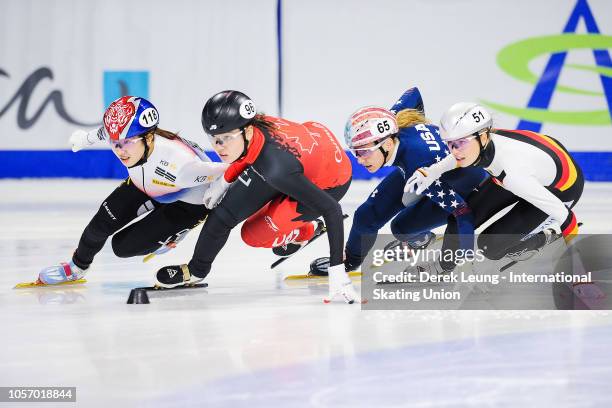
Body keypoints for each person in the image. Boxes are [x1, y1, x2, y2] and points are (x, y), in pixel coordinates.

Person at [154, 90, 360, 303]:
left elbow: (332, 209)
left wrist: (337, 269)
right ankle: (196, 270)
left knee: (253, 235)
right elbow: (249, 153)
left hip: (329, 182)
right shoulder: (254, 128)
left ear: (248, 131)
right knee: (224, 213)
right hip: (302, 157)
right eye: (213, 139)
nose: (219, 147)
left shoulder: (275, 167)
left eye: (226, 139)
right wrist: (225, 180)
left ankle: (305, 230)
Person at [37, 96, 228, 285]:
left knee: (122, 247)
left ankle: (171, 236)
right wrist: (86, 139)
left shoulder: (181, 164)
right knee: (98, 227)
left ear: (149, 137)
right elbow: (106, 132)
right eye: (115, 144)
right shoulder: (130, 138)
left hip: (185, 205)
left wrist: (225, 184)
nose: (120, 151)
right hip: (146, 184)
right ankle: (77, 268)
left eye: (127, 142)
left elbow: (226, 172)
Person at [311, 88, 487, 276]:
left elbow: (462, 211)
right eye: (355, 152)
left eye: (364, 152)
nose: (359, 160)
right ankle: (349, 261)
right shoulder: (391, 126)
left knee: (401, 228)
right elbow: (414, 93)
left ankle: (418, 239)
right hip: (428, 170)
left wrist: (464, 259)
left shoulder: (417, 163)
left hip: (465, 186)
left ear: (387, 145)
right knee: (366, 215)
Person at [405, 102, 583, 272]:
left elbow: (567, 217)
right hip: (537, 167)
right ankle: (444, 267)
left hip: (561, 190)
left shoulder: (514, 174)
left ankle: (540, 238)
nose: (454, 151)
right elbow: (458, 155)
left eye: (460, 143)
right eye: (449, 144)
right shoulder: (481, 145)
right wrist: (433, 171)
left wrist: (580, 276)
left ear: (483, 137)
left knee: (490, 246)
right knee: (461, 218)